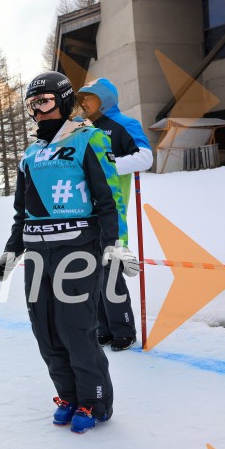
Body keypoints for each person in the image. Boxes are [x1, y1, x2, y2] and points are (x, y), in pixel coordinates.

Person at [0, 71, 138, 434]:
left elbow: (109, 198)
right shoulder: (30, 154)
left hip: (77, 249)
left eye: (43, 102)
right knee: (45, 330)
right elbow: (22, 210)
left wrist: (115, 243)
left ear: (62, 100)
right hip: (38, 253)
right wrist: (13, 249)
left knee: (75, 328)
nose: (38, 111)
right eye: (32, 105)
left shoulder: (89, 139)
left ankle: (95, 401)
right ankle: (69, 396)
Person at [77, 78, 153, 352]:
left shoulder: (123, 124)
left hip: (112, 209)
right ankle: (105, 329)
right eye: (82, 99)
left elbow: (145, 157)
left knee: (110, 272)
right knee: (90, 271)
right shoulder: (82, 128)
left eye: (89, 98)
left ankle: (123, 330)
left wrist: (106, 166)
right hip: (83, 210)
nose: (84, 103)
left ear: (105, 99)